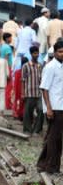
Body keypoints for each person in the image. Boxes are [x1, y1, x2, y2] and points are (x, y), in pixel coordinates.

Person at [37, 41, 63, 173]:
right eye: (60, 52)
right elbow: (44, 88)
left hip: (61, 105)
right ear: (55, 52)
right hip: (54, 106)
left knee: (54, 136)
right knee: (54, 138)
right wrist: (49, 108)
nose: (62, 54)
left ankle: (44, 164)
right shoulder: (51, 67)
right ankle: (51, 167)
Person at [22, 46, 43, 135]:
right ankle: (27, 129)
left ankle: (36, 130)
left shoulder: (40, 66)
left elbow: (42, 79)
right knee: (27, 113)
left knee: (41, 110)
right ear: (31, 54)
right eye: (34, 53)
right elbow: (23, 80)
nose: (36, 55)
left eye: (37, 53)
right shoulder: (26, 66)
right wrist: (23, 93)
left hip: (38, 93)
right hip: (29, 93)